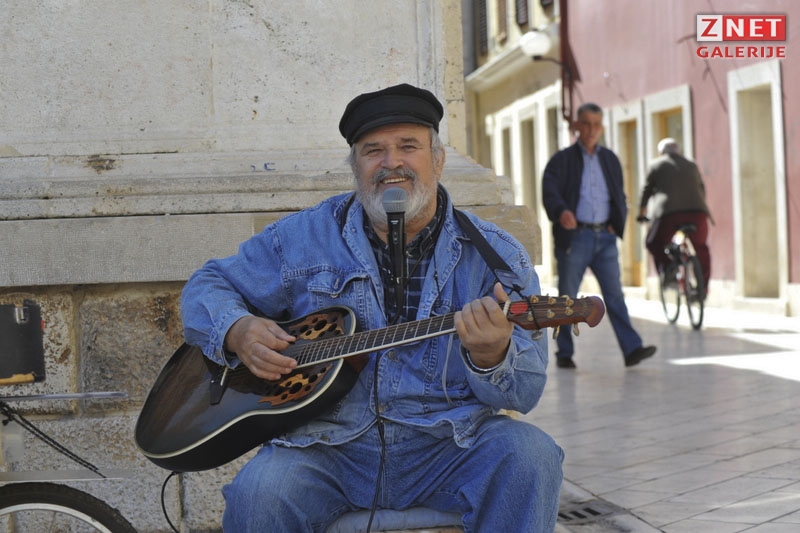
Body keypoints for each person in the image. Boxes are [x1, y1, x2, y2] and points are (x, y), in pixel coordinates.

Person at [181, 83, 564, 532]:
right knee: (258, 494)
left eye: (408, 146)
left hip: (449, 444)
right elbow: (208, 284)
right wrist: (237, 329)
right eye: (373, 150)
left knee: (531, 455)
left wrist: (492, 356)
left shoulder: (496, 257)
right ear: (355, 166)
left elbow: (524, 393)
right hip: (327, 447)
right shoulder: (304, 237)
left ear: (438, 159)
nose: (391, 163)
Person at [541, 102, 656, 369]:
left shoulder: (610, 159)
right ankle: (564, 352)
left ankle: (632, 349)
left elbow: (618, 194)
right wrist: (561, 212)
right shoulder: (562, 160)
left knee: (615, 295)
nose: (592, 130)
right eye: (586, 124)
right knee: (567, 298)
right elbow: (549, 190)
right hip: (575, 237)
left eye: (596, 125)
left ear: (601, 128)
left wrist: (617, 223)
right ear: (577, 126)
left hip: (605, 238)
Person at [638, 138, 712, 291]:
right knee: (701, 249)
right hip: (697, 214)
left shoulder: (655, 165)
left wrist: (641, 213)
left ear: (661, 152)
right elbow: (701, 188)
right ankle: (703, 289)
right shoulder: (691, 164)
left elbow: (646, 191)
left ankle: (669, 270)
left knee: (653, 242)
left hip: (669, 215)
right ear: (678, 151)